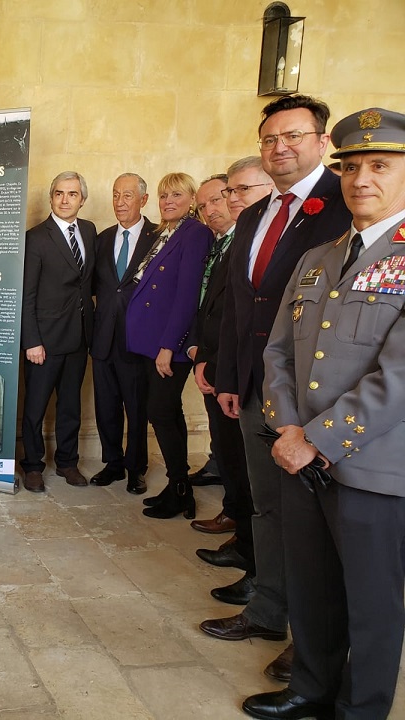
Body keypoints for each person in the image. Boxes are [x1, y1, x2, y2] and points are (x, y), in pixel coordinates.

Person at [245, 107, 405, 720]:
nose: (362, 179)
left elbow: (398, 378)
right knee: (312, 588)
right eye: (352, 166)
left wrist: (317, 438)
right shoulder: (318, 257)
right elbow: (278, 351)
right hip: (300, 456)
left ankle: (360, 708)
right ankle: (310, 689)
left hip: (372, 464)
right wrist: (288, 428)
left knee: (371, 602)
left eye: (380, 166)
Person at [202, 95, 351, 685]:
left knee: (318, 524)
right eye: (269, 139)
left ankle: (316, 642)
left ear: (322, 142)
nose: (279, 147)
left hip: (317, 397)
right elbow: (244, 305)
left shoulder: (346, 203)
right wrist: (232, 378)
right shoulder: (254, 215)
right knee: (267, 506)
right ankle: (268, 610)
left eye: (293, 136)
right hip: (256, 387)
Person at [192, 159, 273, 610]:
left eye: (241, 191)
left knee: (252, 474)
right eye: (229, 193)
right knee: (233, 462)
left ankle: (260, 570)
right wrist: (205, 356)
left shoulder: (265, 237)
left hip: (256, 377)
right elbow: (214, 310)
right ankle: (245, 544)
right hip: (225, 369)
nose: (228, 202)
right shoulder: (234, 242)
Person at [127, 172, 211, 519]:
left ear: (192, 200)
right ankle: (178, 487)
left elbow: (187, 295)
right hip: (151, 340)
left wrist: (168, 345)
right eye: (163, 195)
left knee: (160, 412)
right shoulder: (165, 233)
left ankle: (179, 489)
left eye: (176, 195)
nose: (168, 201)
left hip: (169, 343)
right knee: (167, 411)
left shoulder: (195, 233)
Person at [20, 172, 96, 493]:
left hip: (79, 336)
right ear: (51, 198)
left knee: (70, 405)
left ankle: (67, 462)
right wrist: (32, 341)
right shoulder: (36, 238)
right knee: (35, 408)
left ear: (82, 199)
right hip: (44, 341)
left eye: (72, 194)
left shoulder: (89, 231)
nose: (65, 200)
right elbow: (27, 295)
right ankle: (33, 466)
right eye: (59, 194)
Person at [90, 173, 157, 495]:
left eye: (127, 195)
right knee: (106, 407)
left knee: (137, 407)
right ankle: (113, 463)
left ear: (143, 200)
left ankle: (136, 468)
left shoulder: (159, 238)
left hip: (138, 340)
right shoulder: (102, 239)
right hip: (103, 338)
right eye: (116, 195)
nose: (119, 202)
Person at [188, 173, 238, 534]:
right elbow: (203, 305)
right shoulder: (216, 245)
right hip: (209, 357)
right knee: (223, 439)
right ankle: (234, 507)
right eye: (203, 206)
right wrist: (196, 349)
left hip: (229, 361)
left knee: (233, 444)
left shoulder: (243, 245)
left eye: (216, 200)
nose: (210, 210)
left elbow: (237, 314)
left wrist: (214, 360)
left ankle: (236, 513)